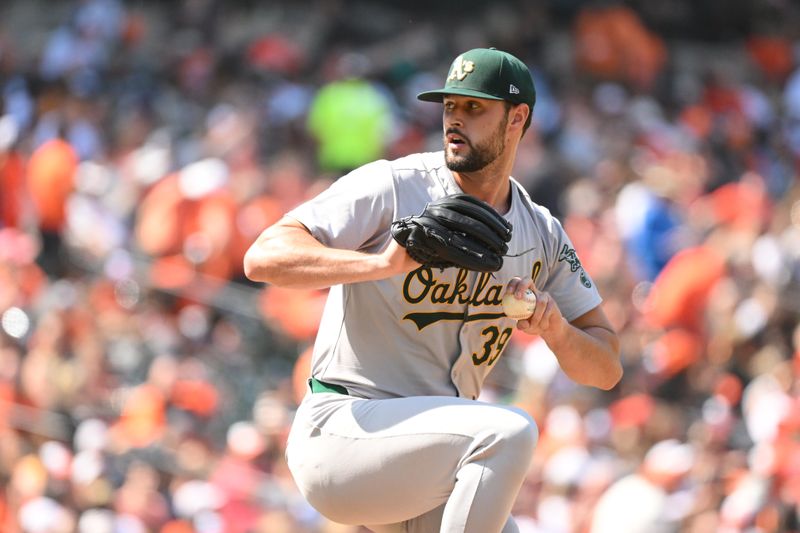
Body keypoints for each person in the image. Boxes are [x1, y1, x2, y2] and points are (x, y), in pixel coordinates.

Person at [244, 47, 622, 533]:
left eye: (474, 107)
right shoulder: (395, 186)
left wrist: (556, 330)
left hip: (432, 460)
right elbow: (263, 257)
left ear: (517, 118)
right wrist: (379, 264)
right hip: (345, 429)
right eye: (449, 106)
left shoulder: (541, 233)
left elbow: (607, 365)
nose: (454, 120)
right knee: (508, 431)